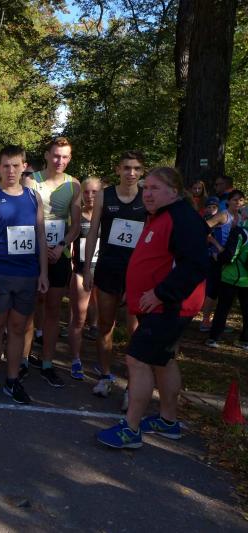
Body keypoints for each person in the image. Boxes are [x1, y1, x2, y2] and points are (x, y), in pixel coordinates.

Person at [97, 167, 207, 448]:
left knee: (138, 360)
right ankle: (168, 421)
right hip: (161, 306)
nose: (147, 194)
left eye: (155, 188)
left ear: (174, 191)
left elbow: (195, 265)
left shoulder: (183, 218)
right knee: (162, 360)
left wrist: (160, 294)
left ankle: (131, 430)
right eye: (146, 188)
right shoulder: (162, 215)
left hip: (169, 307)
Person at [0, 145, 49, 404]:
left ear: (24, 167)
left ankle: (12, 378)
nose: (10, 171)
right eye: (6, 166)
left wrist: (43, 273)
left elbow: (40, 236)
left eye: (16, 165)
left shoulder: (33, 197)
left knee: (19, 328)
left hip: (27, 275)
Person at [82, 152, 146, 398]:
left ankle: (132, 384)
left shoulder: (146, 197)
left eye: (136, 168)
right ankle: (105, 376)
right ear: (118, 169)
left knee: (135, 332)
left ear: (142, 171)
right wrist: (87, 267)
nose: (131, 173)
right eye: (127, 168)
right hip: (108, 268)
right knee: (105, 326)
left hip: (136, 272)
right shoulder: (104, 196)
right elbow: (92, 233)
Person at [23, 137, 81, 388]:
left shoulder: (74, 184)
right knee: (28, 307)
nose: (60, 161)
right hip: (32, 252)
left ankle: (47, 363)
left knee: (53, 309)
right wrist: (40, 246)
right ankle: (23, 359)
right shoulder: (30, 180)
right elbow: (23, 217)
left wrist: (61, 245)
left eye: (65, 156)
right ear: (47, 155)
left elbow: (76, 225)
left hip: (58, 254)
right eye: (56, 155)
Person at [68, 177, 101, 379]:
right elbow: (71, 240)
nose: (89, 196)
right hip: (81, 271)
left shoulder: (107, 216)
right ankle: (75, 360)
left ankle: (102, 362)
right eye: (86, 192)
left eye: (94, 192)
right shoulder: (77, 216)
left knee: (105, 321)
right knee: (79, 318)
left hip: (103, 272)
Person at [207, 195, 248, 349]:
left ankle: (214, 338)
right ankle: (245, 341)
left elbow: (229, 256)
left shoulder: (240, 232)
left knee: (223, 307)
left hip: (231, 275)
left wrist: (218, 255)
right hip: (245, 279)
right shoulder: (227, 218)